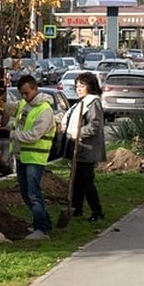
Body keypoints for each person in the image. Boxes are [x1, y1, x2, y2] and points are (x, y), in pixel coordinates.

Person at [5, 75, 57, 240]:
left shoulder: (44, 110)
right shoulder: (25, 105)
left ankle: (41, 229)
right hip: (22, 156)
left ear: (35, 89)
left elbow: (33, 135)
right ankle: (42, 223)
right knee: (26, 193)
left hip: (35, 157)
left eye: (27, 93)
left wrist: (12, 134)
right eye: (22, 94)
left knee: (33, 194)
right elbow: (12, 108)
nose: (24, 97)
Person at [63, 71, 106, 221]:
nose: (78, 88)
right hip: (78, 148)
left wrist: (77, 132)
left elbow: (94, 126)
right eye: (77, 86)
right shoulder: (80, 103)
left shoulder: (92, 103)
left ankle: (97, 212)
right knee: (77, 181)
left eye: (82, 85)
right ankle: (76, 208)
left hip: (87, 149)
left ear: (91, 86)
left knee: (86, 181)